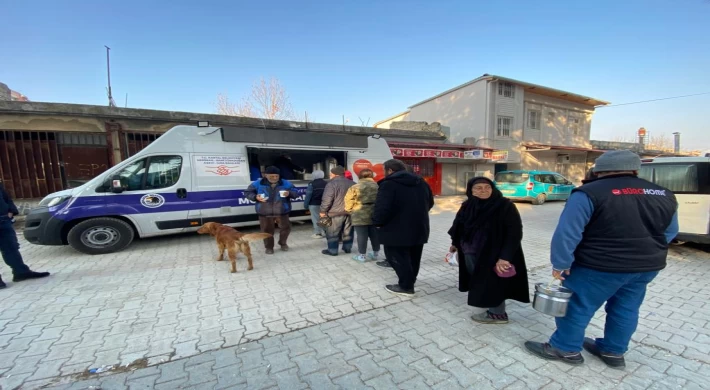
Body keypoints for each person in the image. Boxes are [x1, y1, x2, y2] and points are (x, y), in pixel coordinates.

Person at [525, 150, 679, 368]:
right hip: (646, 267)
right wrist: (645, 250)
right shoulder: (663, 193)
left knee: (577, 306)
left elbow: (568, 233)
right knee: (626, 308)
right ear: (635, 169)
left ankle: (565, 348)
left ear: (597, 170)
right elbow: (671, 232)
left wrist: (561, 263)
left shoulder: (588, 193)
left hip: (597, 266)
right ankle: (613, 351)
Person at [447, 177, 530, 324]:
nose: (483, 190)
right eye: (478, 187)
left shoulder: (505, 206)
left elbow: (515, 233)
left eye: (487, 187)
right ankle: (487, 300)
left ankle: (498, 314)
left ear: (493, 188)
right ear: (471, 190)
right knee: (479, 279)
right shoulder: (468, 205)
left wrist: (505, 257)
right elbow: (459, 225)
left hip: (493, 253)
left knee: (493, 282)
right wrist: (454, 244)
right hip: (470, 251)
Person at [373, 159, 434, 296]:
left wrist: (377, 222)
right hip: (419, 227)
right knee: (414, 257)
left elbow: (382, 208)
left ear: (389, 170)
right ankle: (410, 281)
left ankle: (406, 286)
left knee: (397, 257)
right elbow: (430, 203)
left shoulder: (388, 184)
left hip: (395, 230)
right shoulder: (421, 182)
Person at [0, 183, 50, 289]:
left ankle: (21, 272)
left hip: (3, 220)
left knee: (11, 248)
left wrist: (11, 210)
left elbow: (5, 196)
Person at [244, 166, 298, 254]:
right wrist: (255, 197)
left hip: (282, 211)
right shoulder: (258, 183)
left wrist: (289, 193)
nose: (274, 178)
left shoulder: (286, 183)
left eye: (276, 176)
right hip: (265, 212)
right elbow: (247, 192)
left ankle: (283, 243)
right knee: (266, 230)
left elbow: (296, 192)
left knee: (286, 228)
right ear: (266, 175)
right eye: (272, 176)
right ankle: (269, 247)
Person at [344, 169, 380, 262]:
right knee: (374, 234)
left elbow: (349, 200)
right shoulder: (378, 186)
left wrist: (349, 210)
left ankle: (362, 256)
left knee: (361, 235)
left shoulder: (355, 187)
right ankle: (376, 253)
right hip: (375, 212)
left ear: (359, 176)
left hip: (359, 213)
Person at [320, 166, 355, 256]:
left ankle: (333, 250)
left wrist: (323, 211)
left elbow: (327, 199)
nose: (330, 175)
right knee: (348, 231)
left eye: (331, 174)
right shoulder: (353, 183)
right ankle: (347, 248)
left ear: (334, 174)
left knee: (333, 232)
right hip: (350, 212)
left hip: (335, 213)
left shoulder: (331, 184)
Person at [303, 170, 327, 239]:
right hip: (324, 204)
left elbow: (308, 195)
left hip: (314, 204)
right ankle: (326, 232)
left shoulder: (311, 184)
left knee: (316, 219)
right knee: (324, 218)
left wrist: (305, 204)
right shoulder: (327, 183)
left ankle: (318, 233)